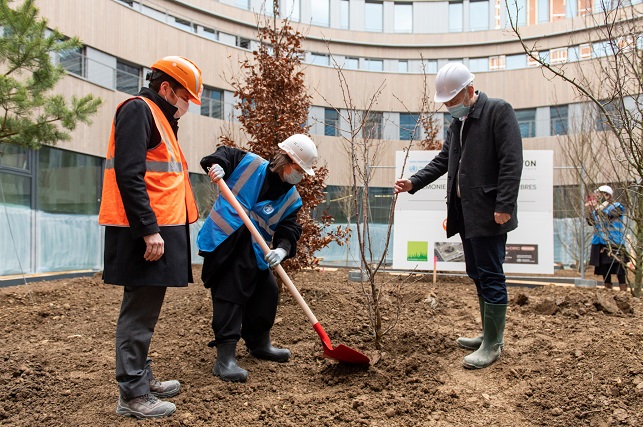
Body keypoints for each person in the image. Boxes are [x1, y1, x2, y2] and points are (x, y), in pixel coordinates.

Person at [394, 63, 523, 369]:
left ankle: (493, 344)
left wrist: (504, 205)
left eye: (452, 101)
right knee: (477, 273)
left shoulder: (498, 112)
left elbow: (512, 161)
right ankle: (487, 333)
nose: (449, 107)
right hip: (465, 214)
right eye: (446, 103)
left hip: (490, 213)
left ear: (469, 90)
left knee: (491, 274)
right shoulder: (458, 123)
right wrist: (414, 182)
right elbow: (443, 160)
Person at [98, 56, 203, 419]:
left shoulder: (159, 117)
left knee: (146, 310)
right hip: (144, 232)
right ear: (165, 89)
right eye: (184, 96)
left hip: (158, 229)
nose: (186, 105)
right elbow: (129, 175)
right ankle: (132, 394)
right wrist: (149, 230)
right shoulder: (138, 111)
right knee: (138, 313)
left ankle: (140, 377)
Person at [196, 134, 317, 382]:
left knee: (267, 291)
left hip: (254, 250)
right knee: (230, 292)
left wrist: (282, 249)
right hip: (224, 242)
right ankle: (225, 358)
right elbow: (224, 155)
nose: (299, 176)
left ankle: (259, 343)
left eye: (303, 172)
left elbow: (289, 228)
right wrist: (216, 166)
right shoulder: (248, 164)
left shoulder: (292, 198)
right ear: (285, 161)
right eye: (298, 169)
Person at [586, 185, 629, 291]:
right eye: (598, 195)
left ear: (607, 195)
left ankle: (623, 290)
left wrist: (600, 209)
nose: (599, 197)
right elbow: (590, 222)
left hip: (614, 242)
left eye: (601, 195)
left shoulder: (617, 206)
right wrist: (590, 211)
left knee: (619, 267)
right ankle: (607, 289)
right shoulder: (596, 210)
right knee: (604, 268)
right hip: (600, 242)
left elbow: (610, 216)